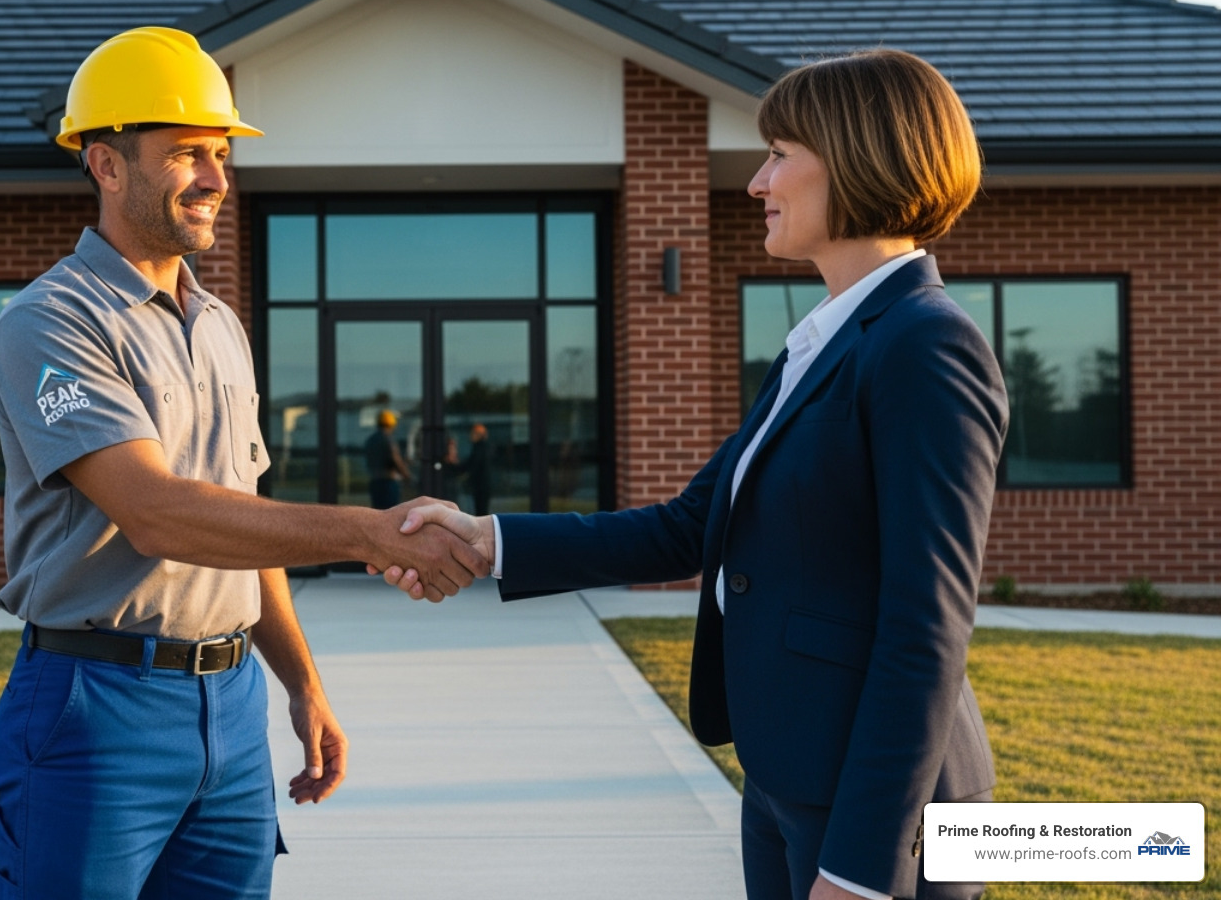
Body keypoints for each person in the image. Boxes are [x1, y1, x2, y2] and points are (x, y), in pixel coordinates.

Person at [385, 49, 1008, 900]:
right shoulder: (823, 342)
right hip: (786, 775)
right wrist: (487, 539)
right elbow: (689, 525)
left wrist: (862, 870)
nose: (758, 182)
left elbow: (927, 625)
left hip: (879, 820)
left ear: (863, 160)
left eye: (781, 155)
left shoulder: (925, 344)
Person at [0, 26, 488, 900]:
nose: (217, 179)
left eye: (221, 153)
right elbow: (157, 511)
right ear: (106, 165)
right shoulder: (50, 322)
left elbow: (242, 520)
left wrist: (302, 684)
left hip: (233, 708)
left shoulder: (219, 326)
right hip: (95, 707)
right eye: (186, 154)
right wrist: (373, 531)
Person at [363, 409, 413, 509]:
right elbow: (396, 459)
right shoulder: (388, 439)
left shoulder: (370, 440)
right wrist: (407, 475)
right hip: (388, 483)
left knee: (378, 514)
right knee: (391, 514)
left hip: (374, 482)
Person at [445, 423, 492, 515]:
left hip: (480, 486)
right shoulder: (483, 448)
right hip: (482, 486)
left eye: (473, 434)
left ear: (478, 435)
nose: (470, 436)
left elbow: (471, 465)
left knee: (481, 511)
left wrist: (454, 467)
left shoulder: (480, 448)